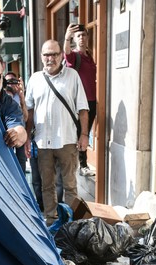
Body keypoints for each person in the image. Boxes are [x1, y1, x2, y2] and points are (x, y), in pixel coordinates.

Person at [25, 40, 89, 225]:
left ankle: (70, 222)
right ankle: (51, 220)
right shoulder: (35, 79)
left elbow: (83, 108)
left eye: (54, 54)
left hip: (67, 140)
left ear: (62, 55)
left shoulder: (72, 75)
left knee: (70, 185)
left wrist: (84, 135)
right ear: (41, 56)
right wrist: (28, 138)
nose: (50, 58)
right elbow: (29, 111)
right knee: (47, 185)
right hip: (43, 141)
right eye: (46, 54)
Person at [64, 23, 97, 177]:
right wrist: (66, 37)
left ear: (87, 37)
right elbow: (66, 52)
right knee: (80, 133)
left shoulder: (89, 56)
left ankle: (80, 162)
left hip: (92, 100)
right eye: (78, 36)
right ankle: (81, 165)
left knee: (86, 132)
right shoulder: (74, 56)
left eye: (84, 35)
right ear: (75, 39)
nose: (82, 38)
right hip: (79, 102)